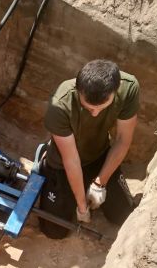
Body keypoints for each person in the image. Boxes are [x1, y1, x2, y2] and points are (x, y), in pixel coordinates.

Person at [39, 59, 139, 239]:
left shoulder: (128, 87)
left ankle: (88, 182)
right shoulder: (60, 105)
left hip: (99, 154)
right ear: (79, 90)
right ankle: (46, 161)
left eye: (101, 108)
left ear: (116, 91)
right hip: (62, 163)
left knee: (124, 215)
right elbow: (71, 160)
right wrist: (82, 207)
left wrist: (100, 183)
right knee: (54, 231)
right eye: (89, 107)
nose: (95, 113)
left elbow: (123, 139)